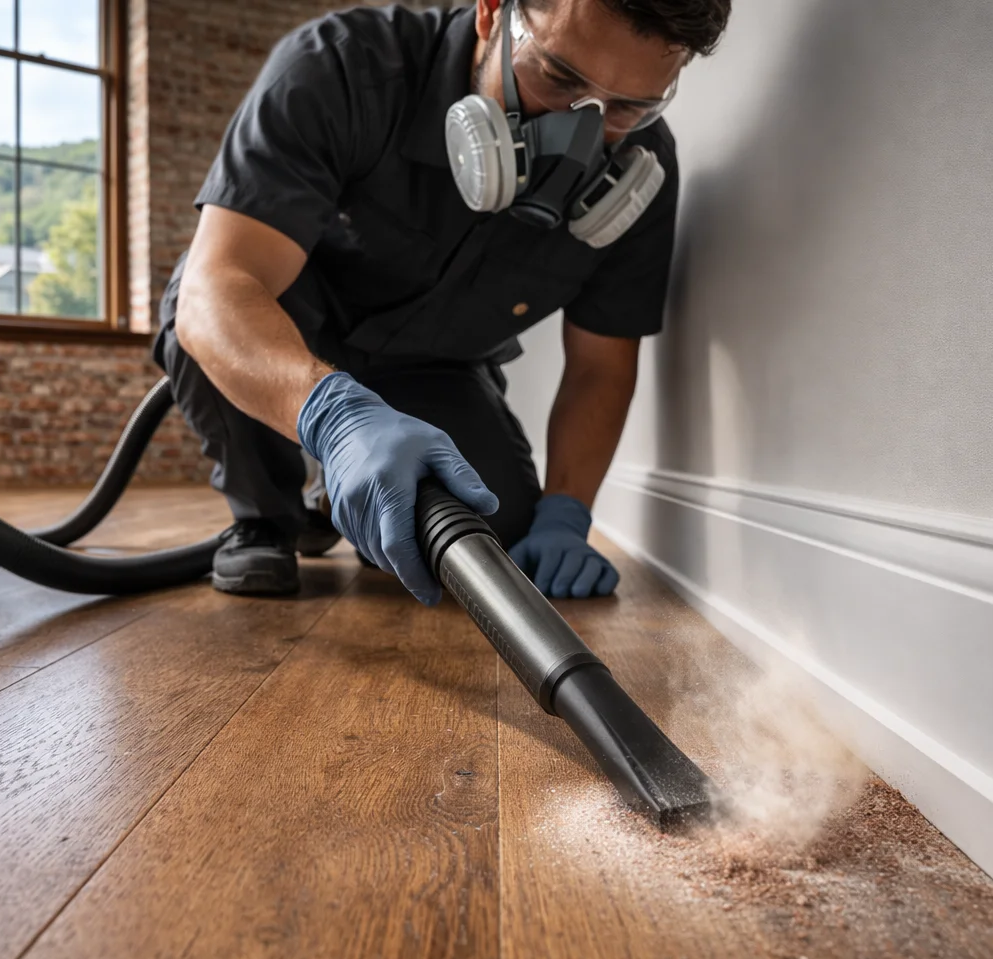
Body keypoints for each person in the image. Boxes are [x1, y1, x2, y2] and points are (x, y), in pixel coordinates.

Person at [156, 0, 730, 602]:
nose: (581, 133)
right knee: (201, 329)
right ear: (490, 14)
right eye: (559, 78)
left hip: (436, 365)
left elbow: (600, 367)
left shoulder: (642, 171)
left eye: (628, 106)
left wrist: (565, 514)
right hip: (294, 328)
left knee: (491, 525)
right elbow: (219, 287)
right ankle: (267, 519)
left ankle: (338, 499)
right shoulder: (346, 66)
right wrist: (335, 418)